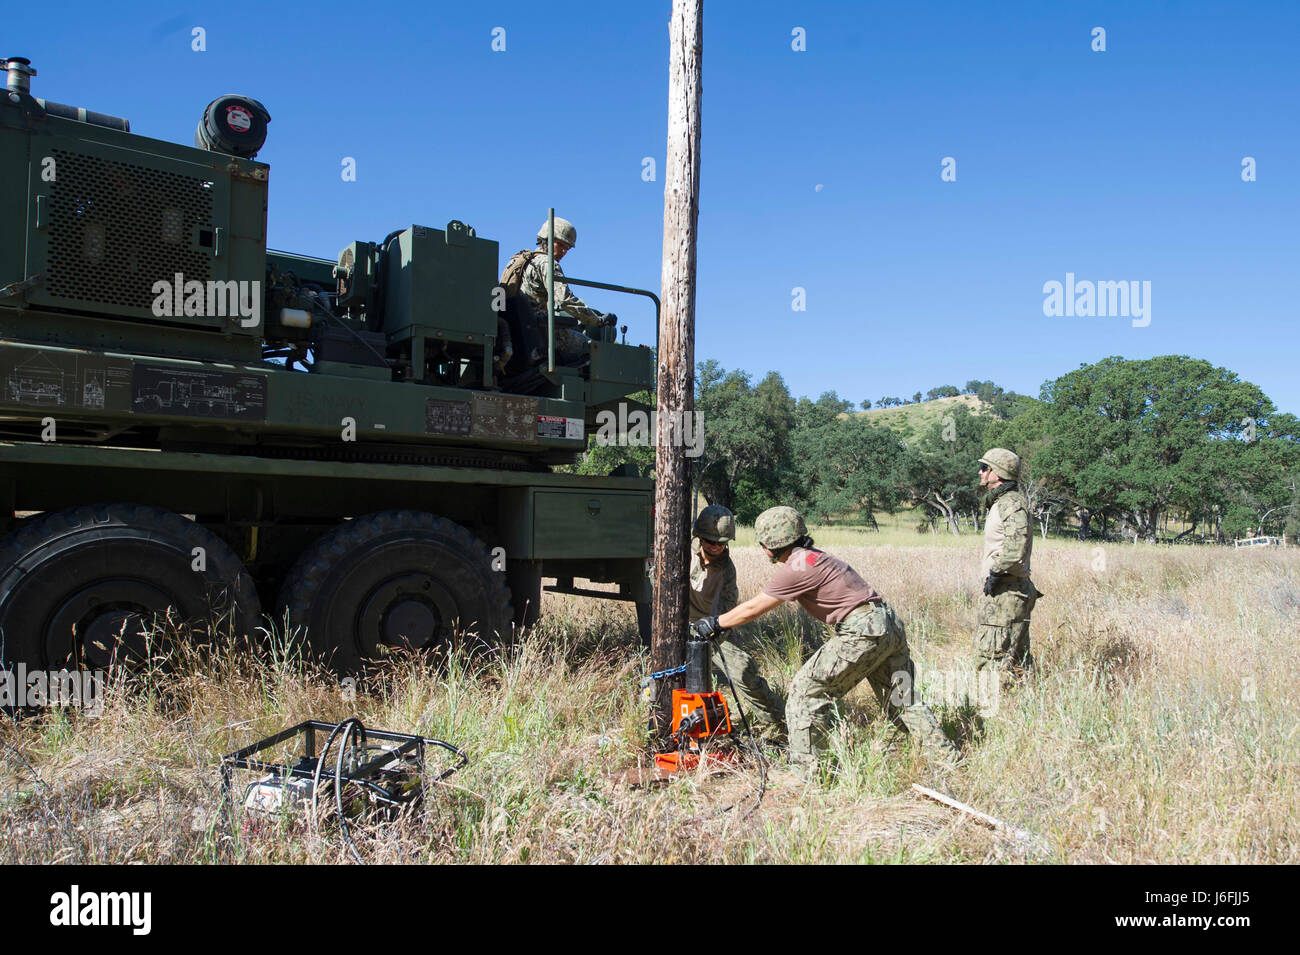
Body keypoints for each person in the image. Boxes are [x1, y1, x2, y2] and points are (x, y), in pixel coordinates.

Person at [691, 506, 956, 772]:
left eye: (762, 544)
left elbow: (754, 608)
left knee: (806, 692)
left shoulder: (796, 567)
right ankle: (947, 760)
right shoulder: (814, 557)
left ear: (771, 543)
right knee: (902, 699)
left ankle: (808, 773)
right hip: (887, 623)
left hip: (862, 630)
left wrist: (714, 623)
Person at [686, 505, 786, 734]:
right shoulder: (681, 553)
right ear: (699, 536)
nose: (716, 546)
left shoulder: (727, 570)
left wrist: (713, 633)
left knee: (742, 669)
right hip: (677, 625)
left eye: (722, 542)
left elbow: (727, 609)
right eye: (711, 541)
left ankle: (776, 720)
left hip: (709, 627)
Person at [498, 217, 616, 368]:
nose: (563, 251)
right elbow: (565, 299)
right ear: (545, 240)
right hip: (540, 333)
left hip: (516, 332)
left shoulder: (519, 261)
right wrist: (597, 320)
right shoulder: (547, 263)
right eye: (560, 244)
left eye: (567, 248)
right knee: (593, 348)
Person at [974, 448, 1041, 679]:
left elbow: (1015, 548)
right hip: (1008, 590)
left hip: (1006, 592)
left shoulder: (1010, 503)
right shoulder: (1002, 502)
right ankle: (1018, 708)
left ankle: (991, 709)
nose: (980, 472)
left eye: (984, 468)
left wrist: (995, 573)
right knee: (1017, 661)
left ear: (997, 473)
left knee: (992, 659)